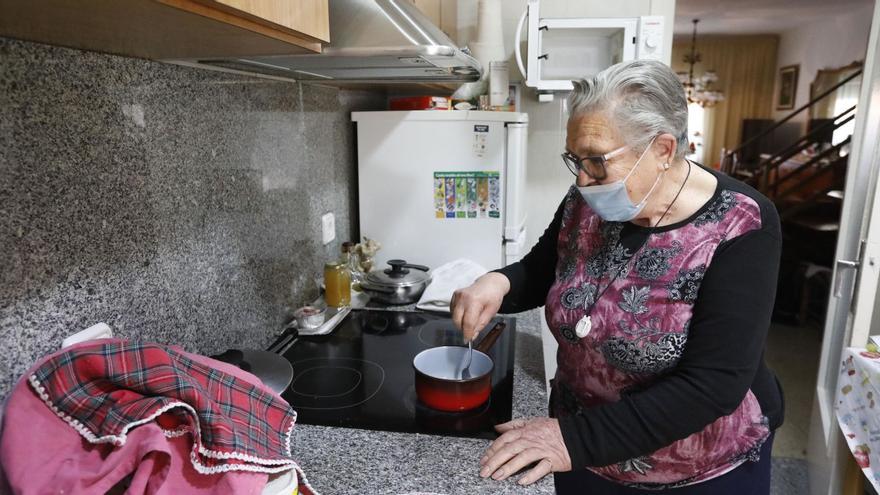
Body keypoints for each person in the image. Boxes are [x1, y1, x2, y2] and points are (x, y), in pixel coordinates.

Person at [450, 59, 783, 494]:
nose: (584, 180)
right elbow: (544, 268)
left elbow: (712, 385)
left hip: (694, 469)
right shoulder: (591, 198)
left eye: (596, 162)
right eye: (576, 160)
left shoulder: (741, 225)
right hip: (581, 447)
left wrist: (571, 439)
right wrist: (498, 282)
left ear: (663, 149)